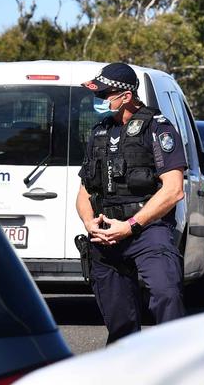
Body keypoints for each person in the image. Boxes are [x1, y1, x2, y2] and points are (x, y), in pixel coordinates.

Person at [75, 62, 187, 343]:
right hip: (106, 237)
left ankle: (179, 365)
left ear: (125, 96)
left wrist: (131, 226)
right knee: (120, 326)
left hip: (147, 230)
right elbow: (84, 191)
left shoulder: (157, 128)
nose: (100, 101)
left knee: (166, 296)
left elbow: (173, 190)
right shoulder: (99, 132)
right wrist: (90, 223)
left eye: (105, 95)